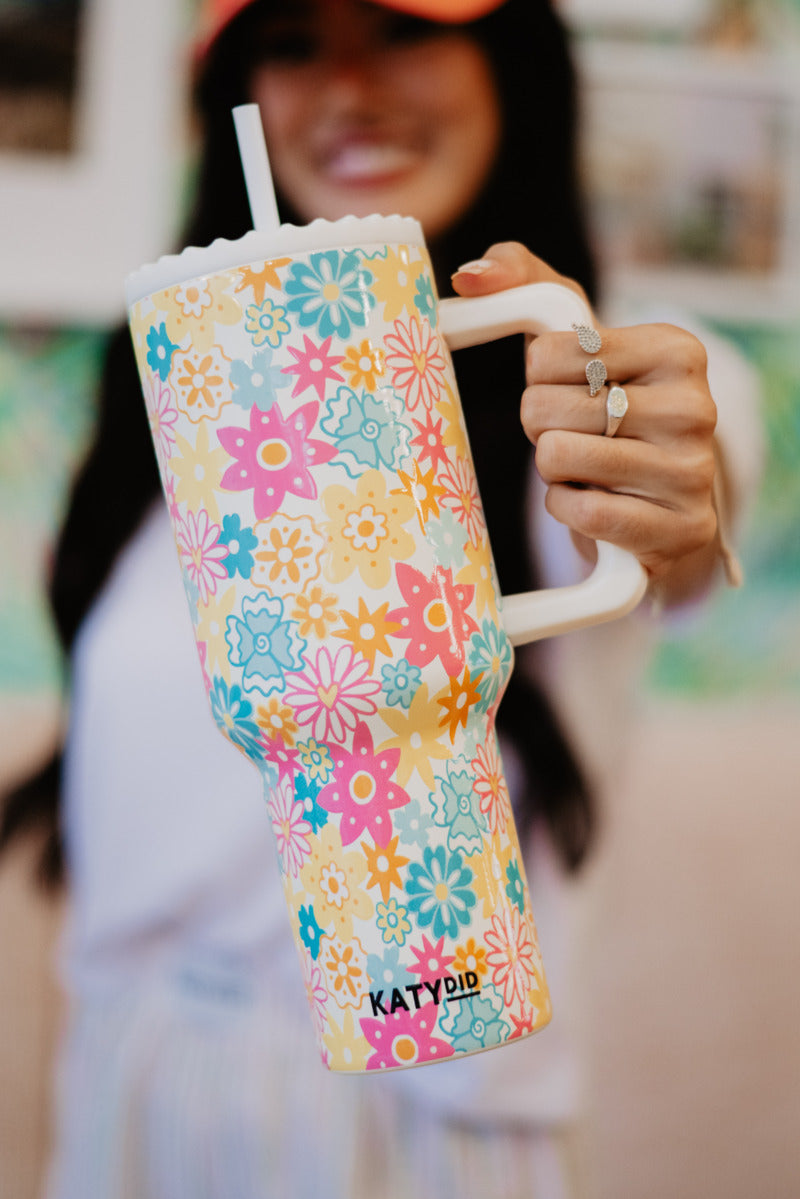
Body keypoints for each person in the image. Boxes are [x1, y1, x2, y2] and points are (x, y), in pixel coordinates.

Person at [0, 1, 761, 1196]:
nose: (348, 86)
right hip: (134, 1094)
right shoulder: (169, 401)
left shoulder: (590, 376)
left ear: (512, 59)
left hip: (427, 1121)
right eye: (295, 43)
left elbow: (675, 496)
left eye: (400, 26)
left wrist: (657, 482)